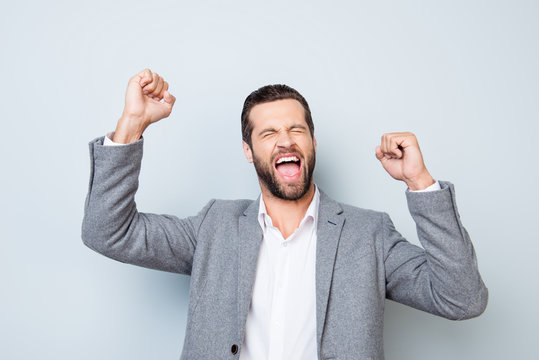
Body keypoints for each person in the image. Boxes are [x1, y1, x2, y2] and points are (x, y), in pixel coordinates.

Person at [82, 69, 488, 360]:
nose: (284, 141)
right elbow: (107, 232)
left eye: (296, 130)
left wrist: (419, 181)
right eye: (268, 133)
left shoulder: (369, 235)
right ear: (248, 150)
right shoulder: (214, 227)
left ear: (312, 142)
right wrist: (131, 124)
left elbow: (463, 299)